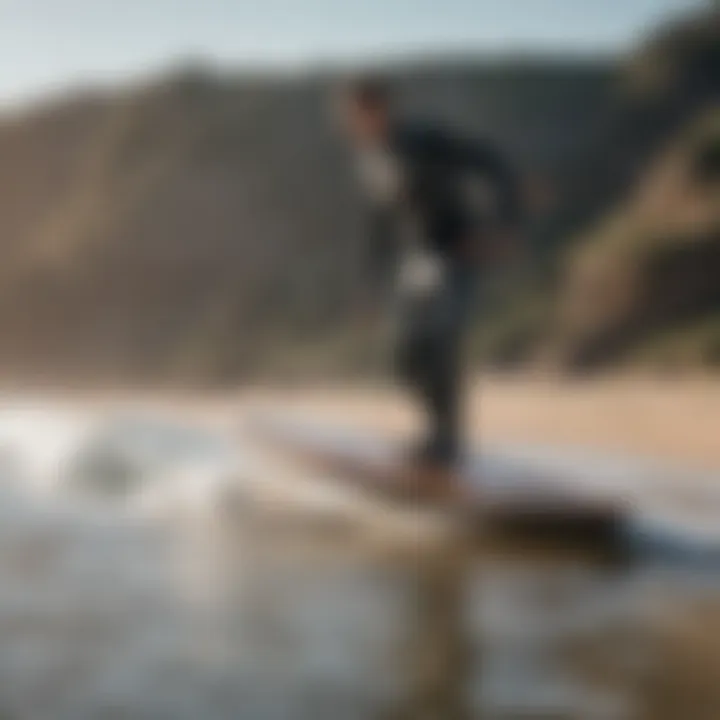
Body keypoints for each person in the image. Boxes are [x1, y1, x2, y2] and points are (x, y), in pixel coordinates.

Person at [338, 76, 523, 488]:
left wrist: (503, 225)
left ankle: (447, 443)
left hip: (456, 251)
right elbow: (380, 226)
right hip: (417, 261)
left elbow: (491, 161)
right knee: (404, 355)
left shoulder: (424, 139)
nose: (353, 122)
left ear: (381, 108)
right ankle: (437, 435)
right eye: (349, 115)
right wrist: (369, 285)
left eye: (360, 112)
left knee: (442, 343)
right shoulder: (371, 159)